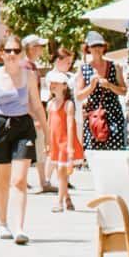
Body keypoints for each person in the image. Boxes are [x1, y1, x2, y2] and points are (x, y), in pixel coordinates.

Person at [0, 36, 39, 242]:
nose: (12, 54)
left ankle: (19, 227)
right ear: (1, 53)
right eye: (8, 51)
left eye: (16, 50)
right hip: (0, 127)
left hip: (23, 127)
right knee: (3, 180)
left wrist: (47, 133)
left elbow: (37, 105)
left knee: (19, 180)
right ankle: (2, 222)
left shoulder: (29, 76)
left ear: (21, 53)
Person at [78, 34, 129, 151]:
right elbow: (79, 96)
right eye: (94, 46)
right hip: (95, 118)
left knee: (115, 151)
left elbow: (123, 91)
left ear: (104, 47)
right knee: (95, 153)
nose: (97, 49)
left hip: (113, 116)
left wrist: (109, 85)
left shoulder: (114, 66)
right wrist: (91, 86)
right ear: (88, 48)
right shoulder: (84, 69)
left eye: (100, 45)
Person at [42, 72, 82, 213]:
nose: (52, 85)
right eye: (51, 83)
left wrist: (70, 147)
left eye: (56, 83)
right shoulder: (50, 104)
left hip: (65, 142)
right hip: (55, 142)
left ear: (65, 86)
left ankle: (59, 202)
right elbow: (48, 125)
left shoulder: (68, 104)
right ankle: (67, 198)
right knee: (61, 174)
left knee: (61, 171)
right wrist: (47, 143)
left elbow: (70, 126)